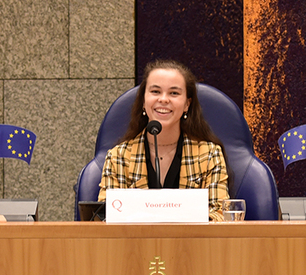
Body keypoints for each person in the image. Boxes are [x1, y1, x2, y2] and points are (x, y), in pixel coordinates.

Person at [98, 59, 230, 221]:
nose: (164, 99)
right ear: (143, 102)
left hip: (193, 244)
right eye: (155, 91)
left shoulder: (209, 154)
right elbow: (106, 216)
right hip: (134, 245)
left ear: (187, 104)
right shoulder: (118, 157)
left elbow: (219, 214)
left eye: (174, 93)